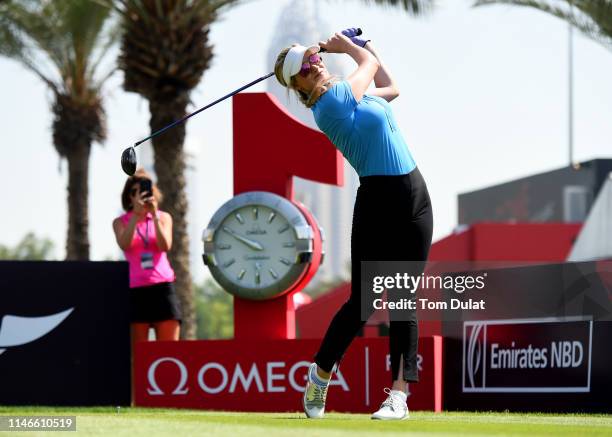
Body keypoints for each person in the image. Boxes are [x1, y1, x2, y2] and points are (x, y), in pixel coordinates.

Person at [274, 30, 433, 420]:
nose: (318, 61)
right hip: (378, 201)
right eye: (310, 62)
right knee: (362, 302)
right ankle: (321, 375)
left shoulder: (351, 95)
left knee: (402, 298)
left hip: (413, 195)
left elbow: (391, 87)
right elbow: (370, 67)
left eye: (316, 57)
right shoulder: (330, 104)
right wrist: (351, 48)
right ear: (301, 81)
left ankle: (398, 396)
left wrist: (369, 45)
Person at [112, 169, 182, 345]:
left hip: (162, 287)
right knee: (139, 352)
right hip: (136, 289)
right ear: (129, 197)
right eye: (135, 192)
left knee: (169, 349)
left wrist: (154, 216)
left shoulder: (164, 217)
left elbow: (165, 245)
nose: (141, 196)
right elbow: (124, 244)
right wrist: (136, 215)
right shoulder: (121, 221)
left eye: (145, 191)